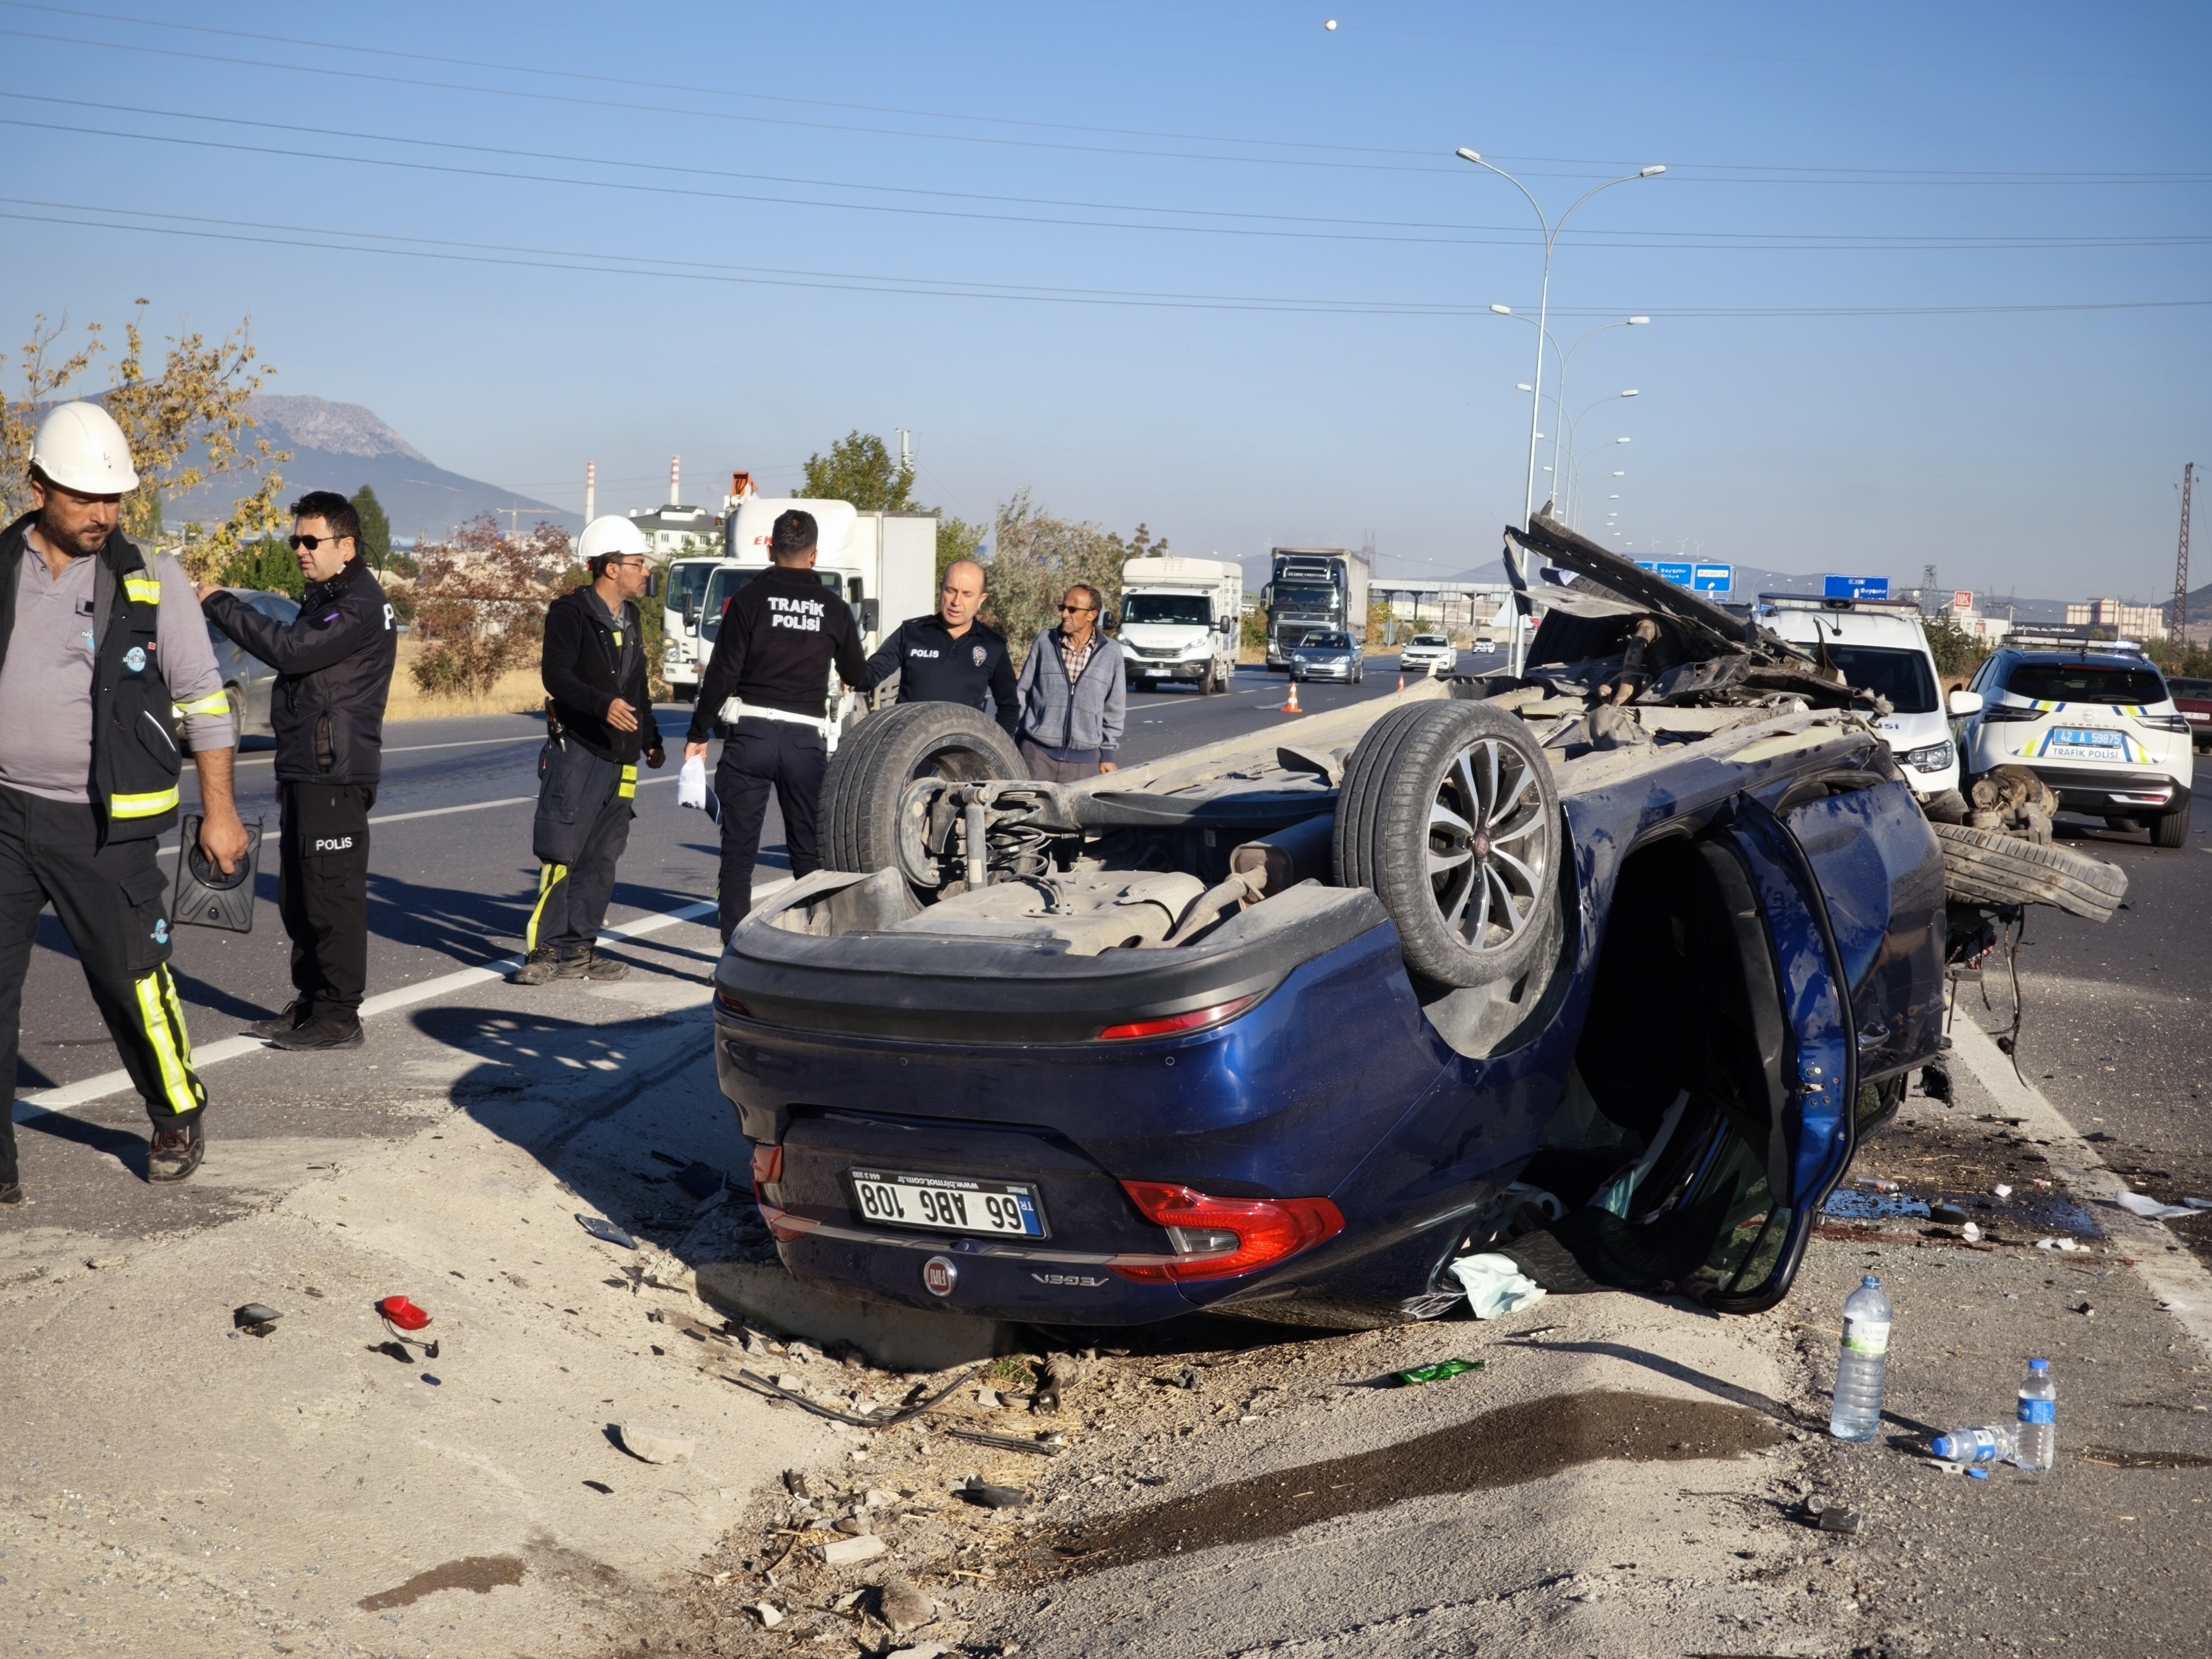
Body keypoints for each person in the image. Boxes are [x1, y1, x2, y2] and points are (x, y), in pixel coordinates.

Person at [0, 402, 249, 1199]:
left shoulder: (152, 581)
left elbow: (205, 698)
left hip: (103, 826)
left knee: (131, 977)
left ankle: (175, 1108)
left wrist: (220, 810)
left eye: (115, 499)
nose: (104, 514)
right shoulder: (1, 563)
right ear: (36, 486)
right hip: (4, 816)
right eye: (85, 498)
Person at [197, 490, 397, 1051]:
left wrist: (220, 602)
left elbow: (289, 650)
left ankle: (339, 1015)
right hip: (310, 768)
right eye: (296, 541)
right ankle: (312, 1003)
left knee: (332, 896)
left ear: (347, 545)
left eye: (312, 541)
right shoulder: (329, 596)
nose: (301, 551)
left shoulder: (356, 603)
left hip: (336, 772)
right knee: (301, 895)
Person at [684, 509, 867, 938]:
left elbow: (722, 674)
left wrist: (698, 733)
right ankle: (813, 948)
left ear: (771, 548)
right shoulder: (834, 607)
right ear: (814, 556)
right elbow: (857, 673)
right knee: (807, 854)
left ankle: (733, 955)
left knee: (739, 854)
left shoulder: (748, 601)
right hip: (804, 743)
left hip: (751, 737)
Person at [516, 517, 666, 983]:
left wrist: (652, 739)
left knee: (602, 858)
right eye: (638, 564)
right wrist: (603, 706)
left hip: (621, 758)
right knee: (562, 850)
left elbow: (637, 688)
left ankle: (579, 950)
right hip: (578, 751)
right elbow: (557, 677)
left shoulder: (634, 618)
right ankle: (544, 954)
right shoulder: (570, 613)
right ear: (610, 569)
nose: (646, 572)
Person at [863, 558, 1018, 733]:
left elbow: (1009, 707)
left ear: (981, 600)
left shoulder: (993, 645)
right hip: (908, 750)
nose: (956, 602)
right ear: (941, 589)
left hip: (960, 754)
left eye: (967, 594)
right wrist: (849, 669)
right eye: (951, 591)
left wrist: (996, 749)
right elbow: (870, 675)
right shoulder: (912, 632)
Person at [1013, 583, 1126, 781]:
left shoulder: (1111, 652)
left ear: (1092, 615)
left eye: (1072, 610)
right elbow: (1022, 693)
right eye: (1063, 608)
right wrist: (1017, 740)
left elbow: (1114, 707)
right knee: (1026, 812)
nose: (1065, 614)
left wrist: (1107, 754)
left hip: (1084, 764)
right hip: (1036, 756)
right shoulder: (1044, 642)